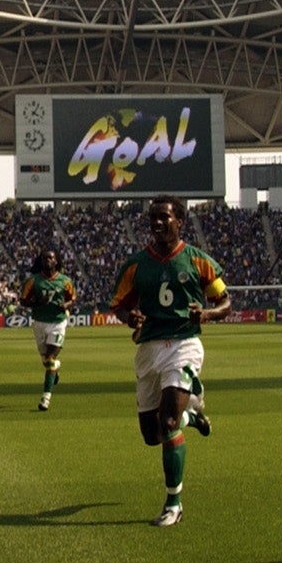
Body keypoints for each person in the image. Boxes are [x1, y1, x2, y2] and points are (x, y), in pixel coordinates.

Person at [110, 197, 227, 527]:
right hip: (148, 348)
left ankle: (173, 503)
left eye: (164, 217)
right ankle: (192, 414)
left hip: (183, 344)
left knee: (167, 424)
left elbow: (225, 301)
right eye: (153, 218)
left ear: (180, 221)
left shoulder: (197, 261)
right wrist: (127, 316)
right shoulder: (136, 265)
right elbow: (118, 305)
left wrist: (207, 313)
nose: (157, 222)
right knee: (152, 434)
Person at [18, 248, 76, 410]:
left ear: (56, 261)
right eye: (44, 258)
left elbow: (72, 299)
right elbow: (23, 301)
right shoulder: (33, 281)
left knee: (49, 359)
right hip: (39, 323)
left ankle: (45, 398)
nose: (47, 261)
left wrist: (65, 305)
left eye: (50, 258)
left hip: (58, 323)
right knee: (46, 361)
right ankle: (55, 369)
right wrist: (37, 302)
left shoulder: (65, 281)